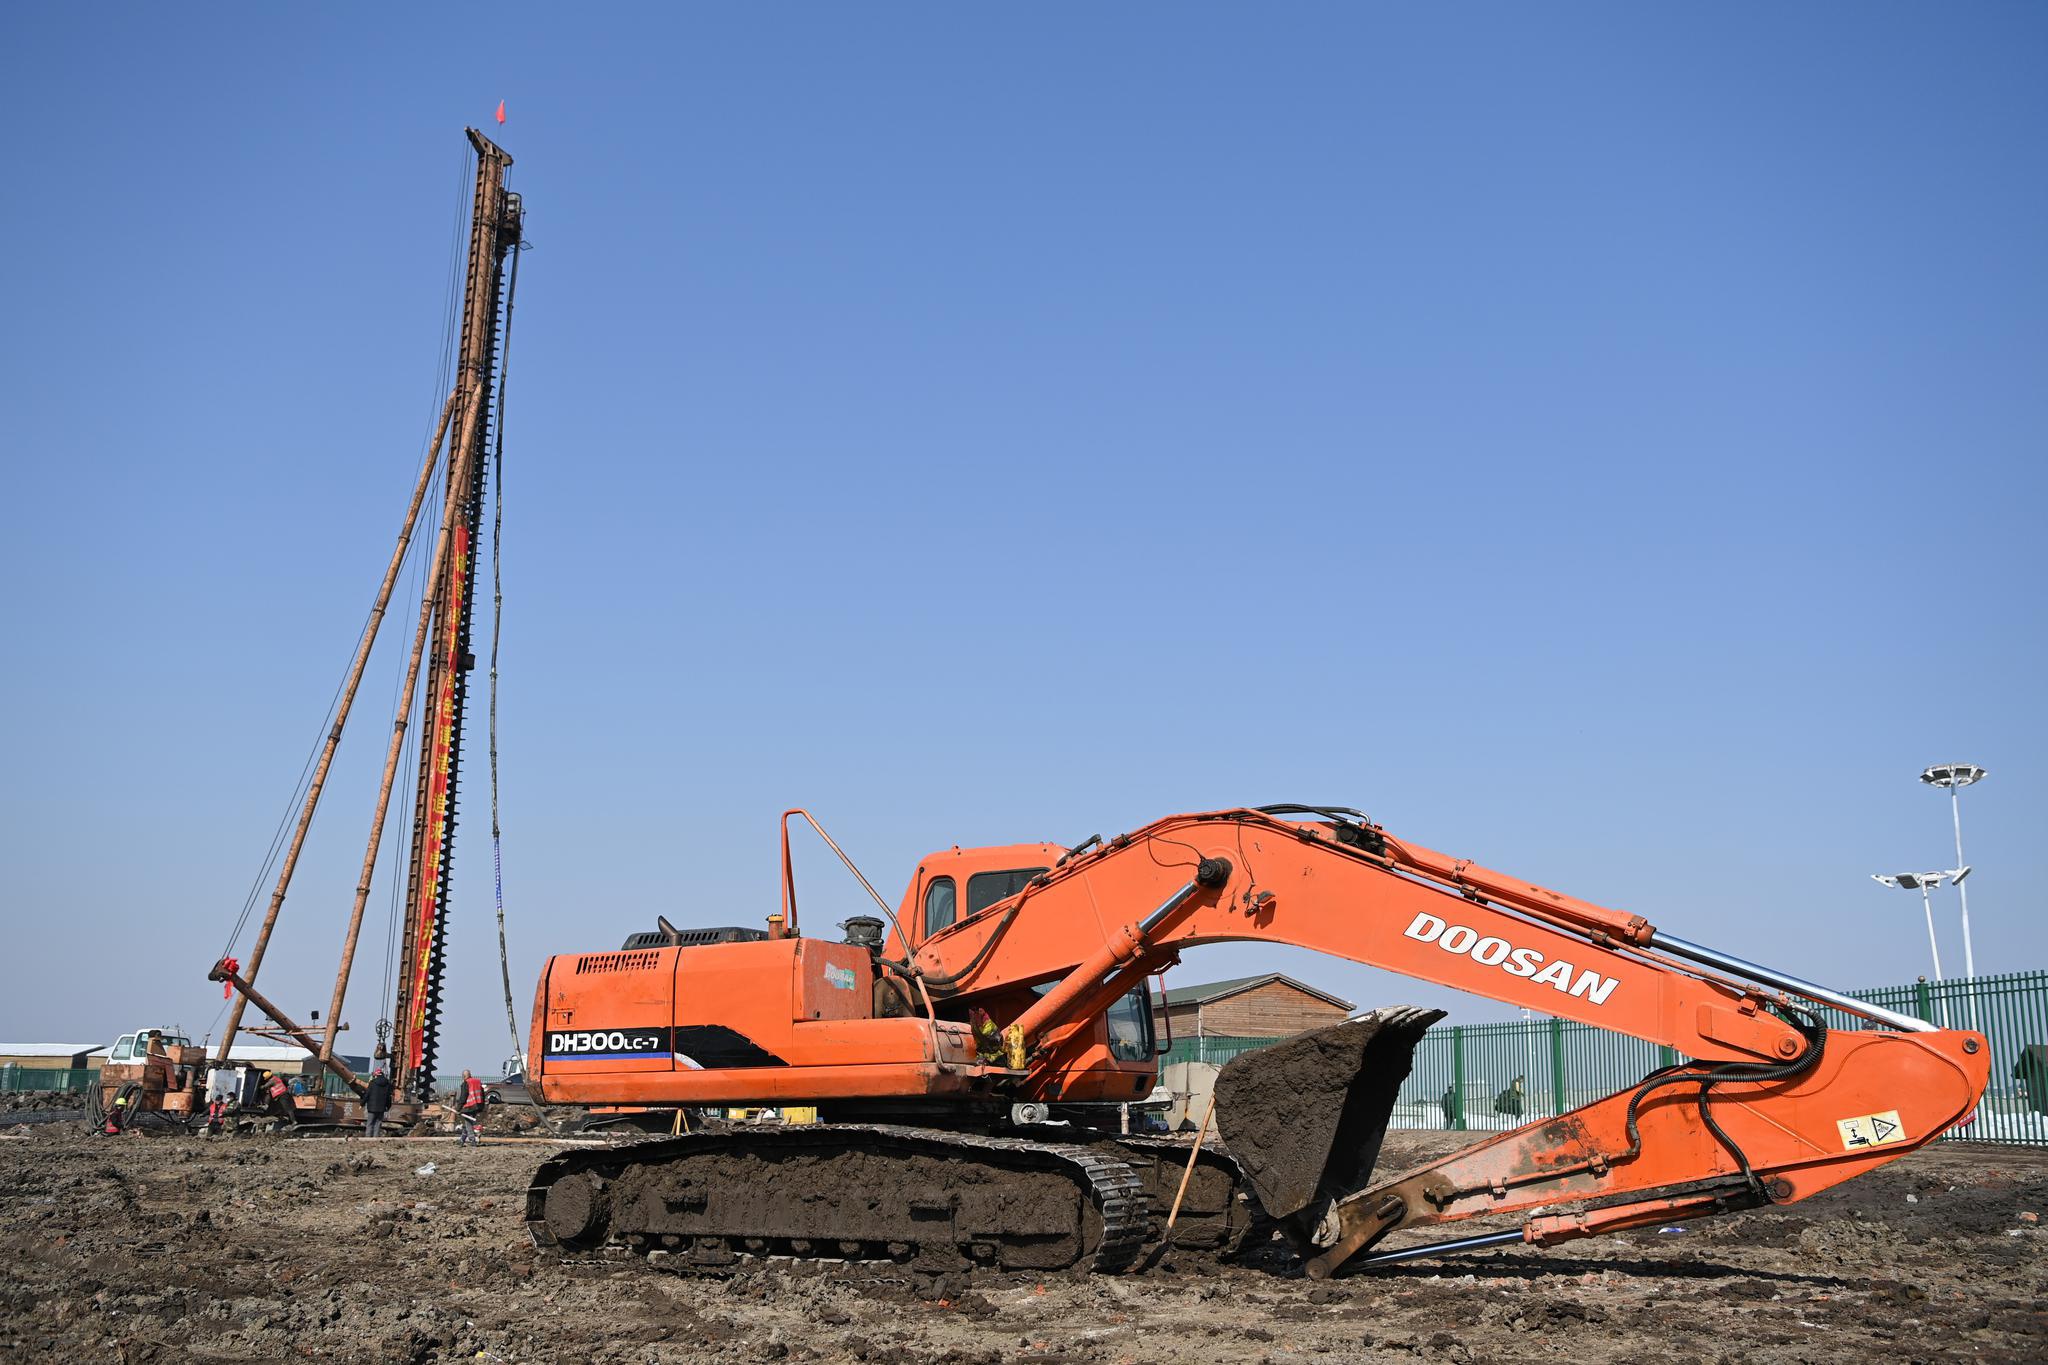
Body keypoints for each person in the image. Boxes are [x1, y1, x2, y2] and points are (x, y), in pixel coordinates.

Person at [456, 1069, 487, 1145]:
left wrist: (458, 1108)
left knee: (468, 1123)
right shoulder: (478, 1082)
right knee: (467, 1123)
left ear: (464, 1076)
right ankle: (462, 1140)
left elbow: (463, 1096)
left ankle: (472, 1140)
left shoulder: (466, 1083)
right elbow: (482, 1094)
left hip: (469, 1106)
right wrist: (482, 1106)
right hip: (478, 1105)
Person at [364, 1066, 393, 1139]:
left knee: (370, 1123)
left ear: (376, 1075)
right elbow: (388, 1097)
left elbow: (367, 1094)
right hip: (381, 1107)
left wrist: (362, 1103)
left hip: (372, 1107)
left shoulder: (372, 1083)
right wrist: (388, 1106)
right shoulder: (387, 1083)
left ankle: (367, 1139)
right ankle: (375, 1139)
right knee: (378, 1123)